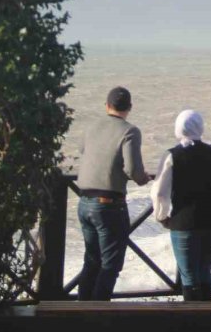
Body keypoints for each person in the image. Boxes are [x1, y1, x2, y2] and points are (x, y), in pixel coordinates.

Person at [151, 110, 211, 301]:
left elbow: (159, 191)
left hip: (184, 222)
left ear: (178, 128)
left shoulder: (173, 155)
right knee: (205, 270)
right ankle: (207, 315)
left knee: (189, 276)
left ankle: (193, 320)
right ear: (200, 128)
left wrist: (161, 215)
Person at [75, 86, 150, 301]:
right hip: (109, 204)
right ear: (130, 108)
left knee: (91, 260)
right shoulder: (130, 131)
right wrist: (143, 178)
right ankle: (98, 316)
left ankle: (80, 313)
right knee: (111, 265)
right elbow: (132, 170)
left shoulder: (91, 127)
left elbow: (83, 150)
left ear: (106, 106)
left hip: (84, 202)